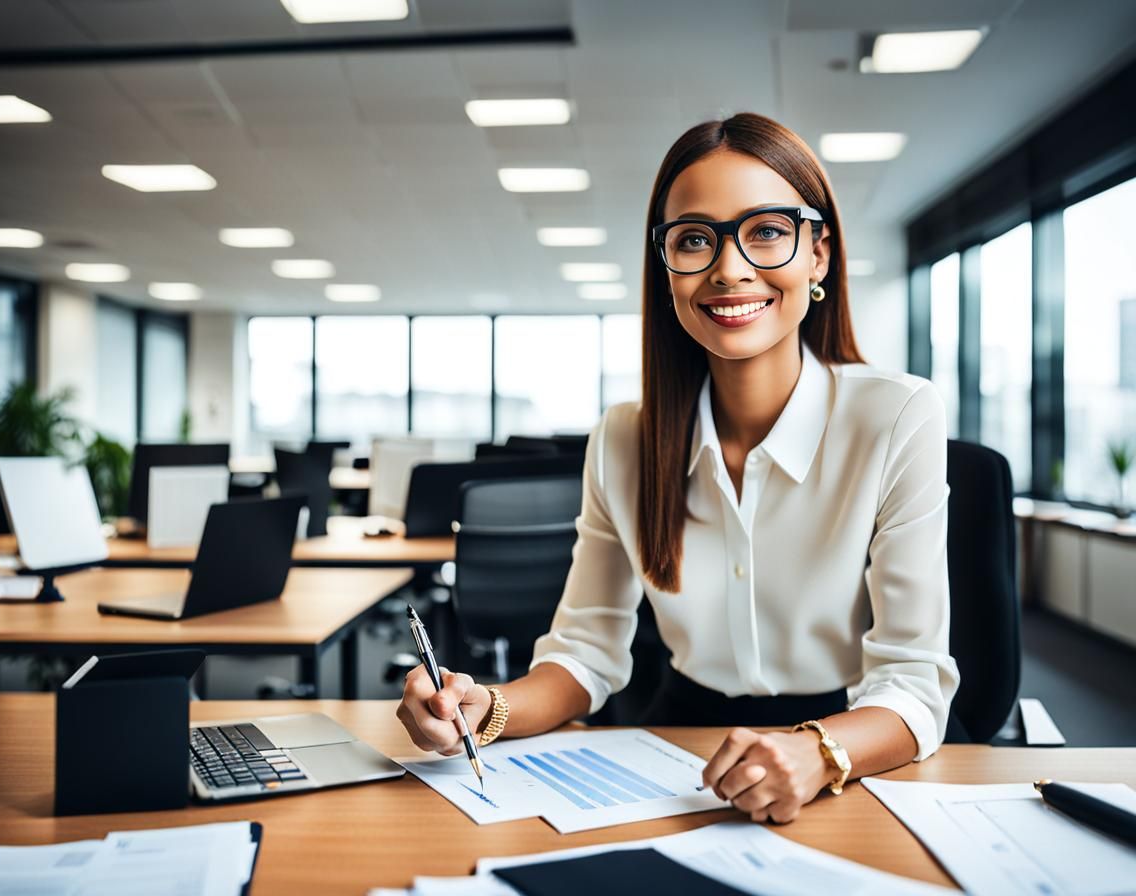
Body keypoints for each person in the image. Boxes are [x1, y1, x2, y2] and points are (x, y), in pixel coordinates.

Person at [397, 112, 959, 824]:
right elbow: (585, 654)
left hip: (850, 741)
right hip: (676, 749)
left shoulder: (896, 415)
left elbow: (913, 682)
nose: (729, 268)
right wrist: (487, 709)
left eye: (767, 230)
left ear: (819, 254)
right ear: (665, 267)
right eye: (694, 239)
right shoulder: (625, 437)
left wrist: (817, 752)